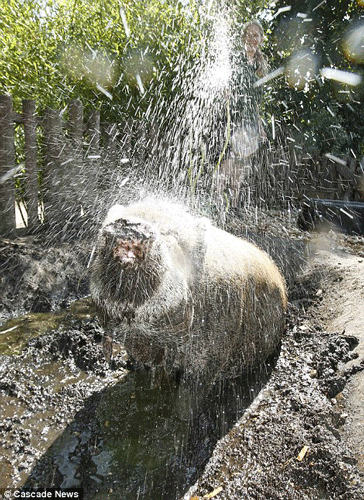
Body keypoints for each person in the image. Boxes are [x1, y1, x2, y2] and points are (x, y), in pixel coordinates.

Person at [216, 20, 268, 209]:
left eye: (256, 35)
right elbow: (224, 77)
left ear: (261, 39)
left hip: (250, 121)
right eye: (249, 34)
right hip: (233, 116)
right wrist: (224, 87)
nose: (252, 38)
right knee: (228, 160)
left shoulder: (261, 67)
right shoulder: (235, 58)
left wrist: (260, 126)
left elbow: (256, 103)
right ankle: (217, 202)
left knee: (241, 164)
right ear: (243, 37)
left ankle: (234, 205)